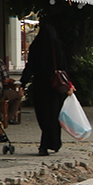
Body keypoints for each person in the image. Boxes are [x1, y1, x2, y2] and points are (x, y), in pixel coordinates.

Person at [20, 19, 69, 156]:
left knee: (43, 115)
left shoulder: (36, 46)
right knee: (53, 116)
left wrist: (23, 83)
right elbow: (64, 67)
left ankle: (46, 143)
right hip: (54, 87)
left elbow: (30, 67)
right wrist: (69, 84)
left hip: (40, 86)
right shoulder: (57, 46)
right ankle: (50, 143)